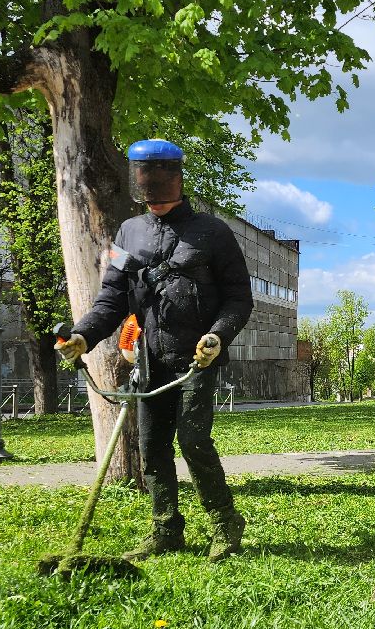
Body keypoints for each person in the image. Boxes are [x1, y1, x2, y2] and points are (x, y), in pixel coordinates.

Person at [55, 139, 253, 561]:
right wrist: (84, 336)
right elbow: (111, 297)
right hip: (149, 357)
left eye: (162, 192)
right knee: (152, 444)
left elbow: (239, 298)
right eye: (148, 194)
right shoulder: (127, 233)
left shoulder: (214, 233)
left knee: (193, 439)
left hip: (198, 357)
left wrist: (217, 336)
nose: (156, 203)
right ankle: (166, 528)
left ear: (179, 180)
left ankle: (224, 522)